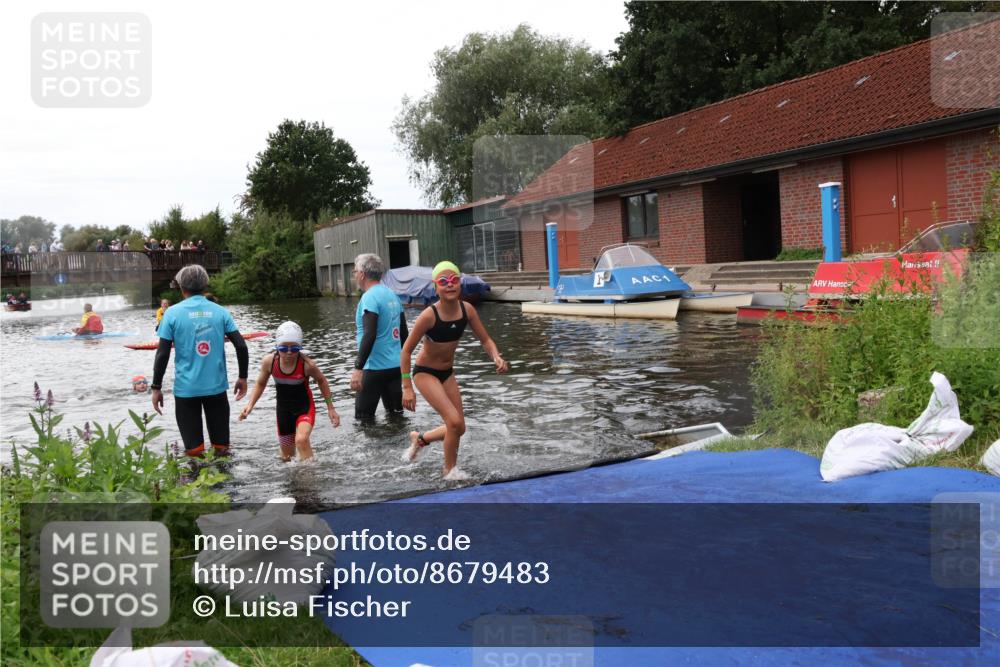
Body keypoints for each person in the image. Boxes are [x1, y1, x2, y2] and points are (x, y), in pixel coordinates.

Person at [400, 260, 508, 479]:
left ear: (460, 283)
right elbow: (406, 351)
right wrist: (407, 387)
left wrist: (496, 356)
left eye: (454, 280)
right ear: (435, 286)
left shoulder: (467, 310)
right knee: (454, 422)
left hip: (447, 373)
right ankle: (449, 471)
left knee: (459, 427)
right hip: (425, 373)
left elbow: (486, 340)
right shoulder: (429, 315)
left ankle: (420, 439)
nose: (449, 285)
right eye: (443, 281)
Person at [151, 264, 249, 458]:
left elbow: (162, 354)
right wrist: (242, 377)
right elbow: (241, 346)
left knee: (194, 453)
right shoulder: (220, 312)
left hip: (186, 392)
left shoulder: (171, 313)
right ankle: (226, 486)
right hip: (216, 389)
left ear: (181, 287)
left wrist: (156, 387)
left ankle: (196, 482)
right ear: (206, 285)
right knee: (222, 450)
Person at [239, 321, 340, 461]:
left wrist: (331, 408)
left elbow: (322, 381)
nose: (289, 353)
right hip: (283, 411)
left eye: (294, 348)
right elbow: (261, 383)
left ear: (300, 347)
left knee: (301, 440)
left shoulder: (307, 365)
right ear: (276, 346)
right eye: (283, 348)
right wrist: (250, 405)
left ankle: (309, 479)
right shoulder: (269, 362)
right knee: (286, 458)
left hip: (304, 408)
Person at [351, 253, 410, 421]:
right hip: (394, 368)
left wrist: (358, 368)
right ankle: (403, 446)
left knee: (363, 420)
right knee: (396, 417)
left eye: (355, 271)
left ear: (362, 274)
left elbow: (370, 334)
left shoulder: (369, 298)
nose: (355, 275)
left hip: (373, 369)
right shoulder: (392, 295)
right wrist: (404, 366)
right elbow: (404, 334)